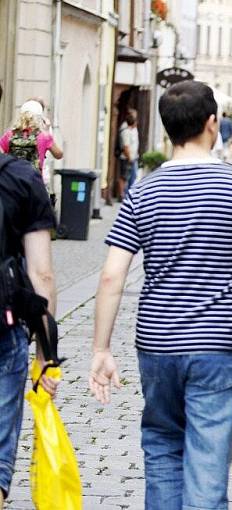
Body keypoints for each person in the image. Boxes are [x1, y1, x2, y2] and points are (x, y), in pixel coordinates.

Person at [88, 80, 232, 510]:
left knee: (161, 448)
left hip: (157, 344)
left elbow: (111, 277)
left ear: (167, 129)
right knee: (207, 464)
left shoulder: (142, 190)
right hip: (217, 345)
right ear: (212, 124)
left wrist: (101, 348)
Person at [0, 85, 58, 510]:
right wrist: (46, 353)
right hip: (4, 320)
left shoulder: (11, 143)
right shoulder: (23, 176)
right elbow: (42, 273)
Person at [0, 100, 63, 182]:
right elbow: (59, 155)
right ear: (40, 118)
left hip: (12, 182)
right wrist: (48, 131)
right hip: (34, 182)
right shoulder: (44, 136)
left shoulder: (9, 135)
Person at [118, 110, 139, 196]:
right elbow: (126, 146)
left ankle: (128, 195)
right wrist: (130, 158)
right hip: (127, 158)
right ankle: (122, 195)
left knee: (132, 177)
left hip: (133, 157)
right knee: (124, 177)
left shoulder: (133, 129)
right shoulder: (125, 130)